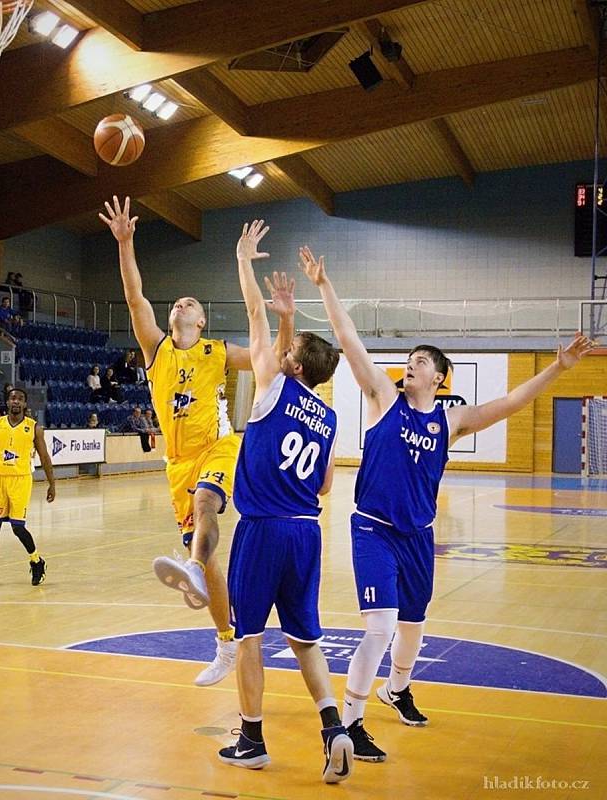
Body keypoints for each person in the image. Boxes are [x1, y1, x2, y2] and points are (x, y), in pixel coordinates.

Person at [297, 245, 597, 762]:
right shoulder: (382, 400)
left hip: (419, 536)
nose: (408, 367)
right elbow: (349, 339)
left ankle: (398, 687)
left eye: (418, 363)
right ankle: (351, 721)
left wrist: (558, 369)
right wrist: (324, 286)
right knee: (382, 626)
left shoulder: (448, 421)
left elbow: (511, 404)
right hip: (372, 530)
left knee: (413, 628)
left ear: (438, 377)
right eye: (408, 362)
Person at [99, 195, 294, 687]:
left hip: (219, 446)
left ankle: (189, 565)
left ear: (202, 321)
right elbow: (133, 296)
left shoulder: (216, 351)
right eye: (177, 303)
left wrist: (286, 318)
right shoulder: (156, 349)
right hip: (177, 463)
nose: (182, 303)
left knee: (207, 504)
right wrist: (126, 243)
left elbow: (272, 356)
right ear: (170, 323)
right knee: (209, 565)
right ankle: (225, 642)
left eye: (192, 302)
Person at [217, 220, 352, 783]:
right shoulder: (328, 414)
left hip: (264, 529)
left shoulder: (272, 385)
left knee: (248, 636)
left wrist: (243, 259)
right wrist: (291, 318)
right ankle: (334, 729)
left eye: (287, 347)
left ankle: (251, 738)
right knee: (305, 639)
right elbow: (323, 486)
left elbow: (252, 318)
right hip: (307, 531)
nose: (278, 347)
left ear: (292, 365)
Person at [0, 388, 55, 587]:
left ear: (25, 404)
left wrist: (52, 484)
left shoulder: (34, 428)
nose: (16, 402)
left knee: (18, 528)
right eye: (12, 399)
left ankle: (36, 561)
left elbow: (44, 457)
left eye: (20, 399)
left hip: (21, 480)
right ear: (7, 403)